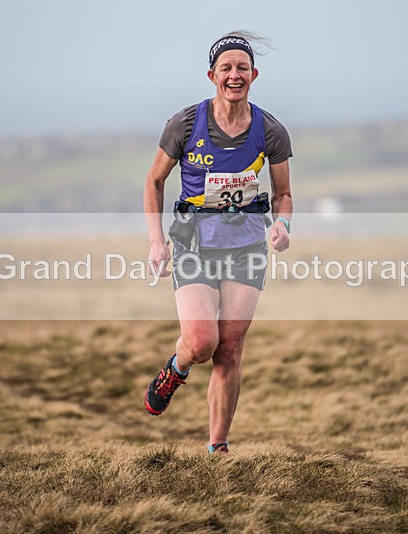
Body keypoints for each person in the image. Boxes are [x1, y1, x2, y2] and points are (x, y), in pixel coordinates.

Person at [143, 31, 293, 455]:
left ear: (254, 74)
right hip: (194, 246)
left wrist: (282, 226)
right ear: (212, 75)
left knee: (229, 349)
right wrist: (157, 242)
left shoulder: (271, 130)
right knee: (202, 342)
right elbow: (154, 181)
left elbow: (284, 194)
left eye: (242, 67)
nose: (234, 75)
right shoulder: (187, 124)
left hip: (246, 249)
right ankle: (177, 366)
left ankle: (217, 447)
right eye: (226, 68)